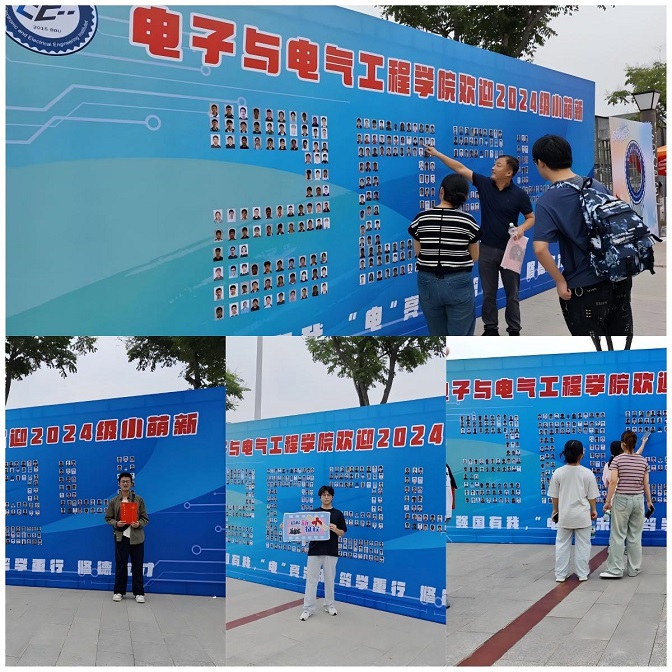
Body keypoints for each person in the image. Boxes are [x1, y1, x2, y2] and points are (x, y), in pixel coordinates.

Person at [532, 135, 634, 343]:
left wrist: (559, 281)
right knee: (621, 345)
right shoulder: (594, 184)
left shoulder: (547, 200)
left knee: (591, 350)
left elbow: (540, 249)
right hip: (618, 278)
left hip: (584, 287)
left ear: (541, 163)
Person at [425, 144, 534, 336]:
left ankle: (514, 330)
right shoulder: (484, 184)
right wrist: (437, 153)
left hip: (511, 250)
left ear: (509, 172)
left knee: (512, 294)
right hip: (487, 249)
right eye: (494, 164)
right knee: (488, 292)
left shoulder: (519, 195)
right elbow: (459, 168)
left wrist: (521, 229)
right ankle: (490, 329)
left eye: (498, 165)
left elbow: (531, 218)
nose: (493, 167)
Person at [408, 173, 481, 335]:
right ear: (464, 197)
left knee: (437, 334)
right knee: (461, 336)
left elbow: (418, 252)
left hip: (427, 281)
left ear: (441, 191)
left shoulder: (421, 218)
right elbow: (475, 256)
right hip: (458, 281)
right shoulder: (467, 221)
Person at [600, 430, 653, 579]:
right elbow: (646, 483)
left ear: (623, 444)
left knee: (618, 535)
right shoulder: (642, 461)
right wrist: (649, 501)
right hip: (638, 500)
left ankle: (615, 570)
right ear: (634, 443)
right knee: (635, 536)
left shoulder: (617, 460)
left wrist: (608, 501)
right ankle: (634, 569)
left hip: (622, 499)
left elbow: (613, 481)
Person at [547, 440, 599, 582]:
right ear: (581, 455)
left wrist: (555, 510)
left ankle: (560, 574)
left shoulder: (558, 473)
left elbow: (554, 495)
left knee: (562, 545)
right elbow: (592, 496)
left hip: (564, 515)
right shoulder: (587, 473)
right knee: (583, 546)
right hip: (582, 516)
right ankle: (582, 574)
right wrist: (594, 509)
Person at [300, 485, 347, 621]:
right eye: (324, 495)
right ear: (320, 497)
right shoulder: (313, 514)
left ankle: (329, 605)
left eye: (329, 495)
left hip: (331, 551)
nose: (326, 497)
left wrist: (335, 529)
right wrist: (286, 526)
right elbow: (302, 529)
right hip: (315, 551)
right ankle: (308, 608)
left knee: (329, 580)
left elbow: (342, 532)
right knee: (311, 581)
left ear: (332, 497)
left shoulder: (337, 514)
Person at [105, 472, 149, 602]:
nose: (125, 483)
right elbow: (108, 518)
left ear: (131, 483)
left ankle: (139, 593)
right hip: (121, 537)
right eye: (123, 481)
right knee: (121, 565)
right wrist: (116, 523)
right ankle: (119, 591)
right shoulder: (114, 501)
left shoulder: (139, 500)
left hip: (137, 538)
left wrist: (139, 523)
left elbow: (145, 518)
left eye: (127, 481)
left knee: (137, 566)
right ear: (119, 484)